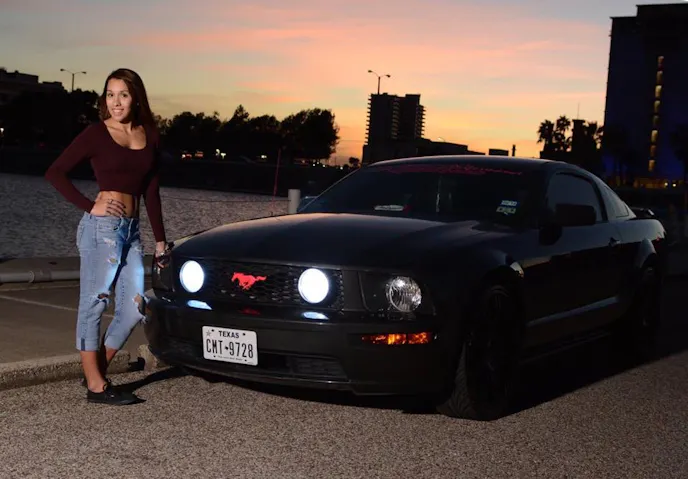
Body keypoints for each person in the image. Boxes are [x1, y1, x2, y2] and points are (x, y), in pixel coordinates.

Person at [45, 68, 169, 405]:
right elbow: (55, 172)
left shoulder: (150, 134)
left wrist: (160, 241)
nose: (116, 102)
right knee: (95, 302)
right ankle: (97, 386)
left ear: (136, 98)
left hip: (131, 231)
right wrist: (91, 205)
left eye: (123, 95)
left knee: (134, 308)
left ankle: (94, 371)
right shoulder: (97, 133)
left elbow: (151, 191)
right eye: (110, 94)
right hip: (102, 229)